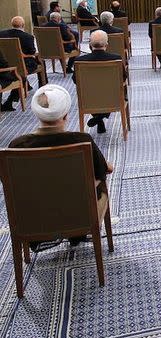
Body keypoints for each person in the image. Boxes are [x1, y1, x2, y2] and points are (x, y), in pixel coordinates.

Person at [10, 84, 113, 251]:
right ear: (66, 115)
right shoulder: (82, 140)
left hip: (35, 219)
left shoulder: (16, 146)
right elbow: (105, 170)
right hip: (79, 215)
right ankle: (77, 233)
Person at [72, 30, 127, 133]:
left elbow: (76, 81)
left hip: (88, 99)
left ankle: (98, 117)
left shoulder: (79, 61)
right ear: (106, 44)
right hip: (112, 99)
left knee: (92, 94)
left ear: (89, 45)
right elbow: (123, 79)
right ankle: (102, 116)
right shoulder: (116, 58)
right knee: (117, 91)